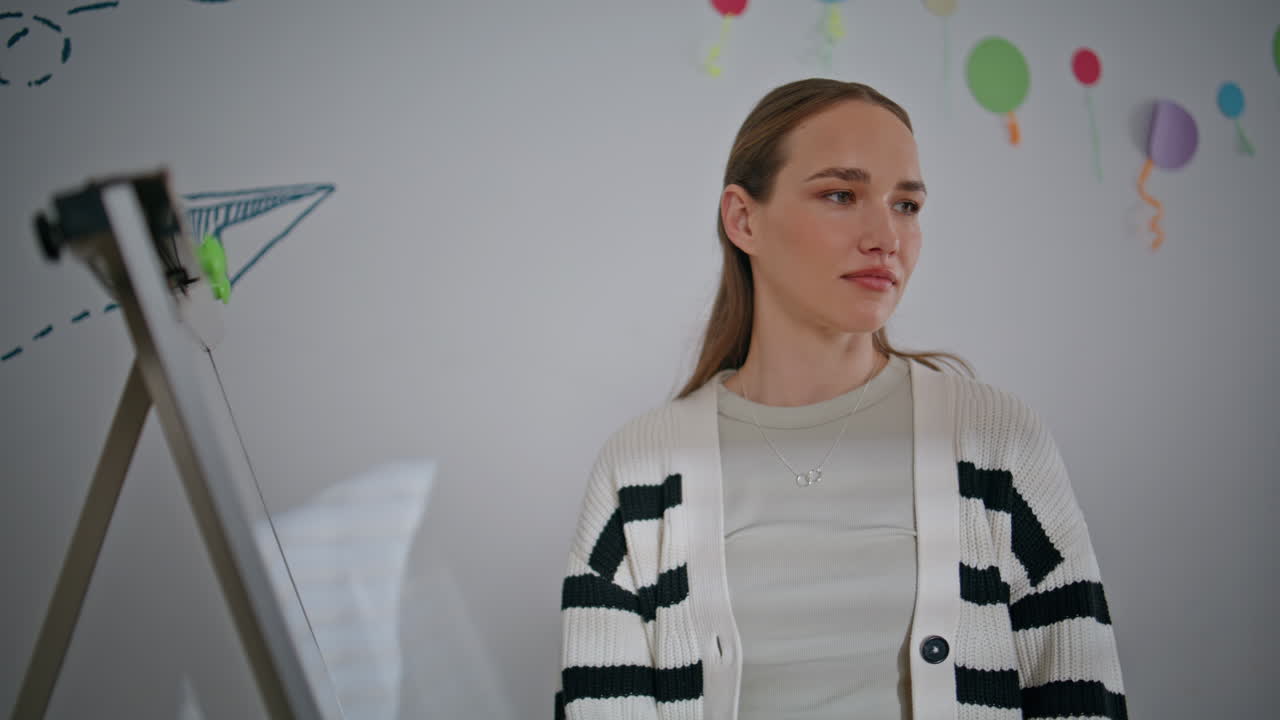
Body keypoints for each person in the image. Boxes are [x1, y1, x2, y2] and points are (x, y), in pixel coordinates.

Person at [554, 78, 1126, 720]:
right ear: (744, 219)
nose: (886, 236)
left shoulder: (994, 443)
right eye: (840, 195)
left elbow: (1082, 693)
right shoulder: (639, 473)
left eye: (906, 205)